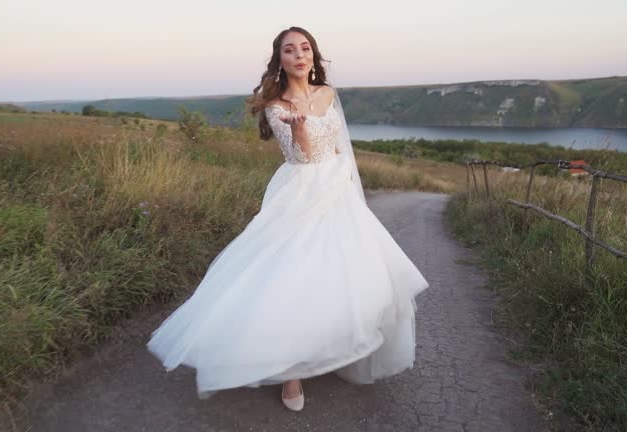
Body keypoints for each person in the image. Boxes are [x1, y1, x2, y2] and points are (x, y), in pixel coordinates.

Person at [146, 26, 429, 413]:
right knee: (290, 274)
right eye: (290, 50)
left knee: (340, 274)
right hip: (300, 191)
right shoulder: (276, 105)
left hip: (337, 189)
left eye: (305, 48)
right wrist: (300, 131)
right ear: (279, 60)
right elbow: (304, 159)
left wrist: (350, 188)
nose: (299, 55)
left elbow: (342, 149)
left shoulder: (329, 94)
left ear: (314, 56)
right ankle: (290, 372)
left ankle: (327, 346)